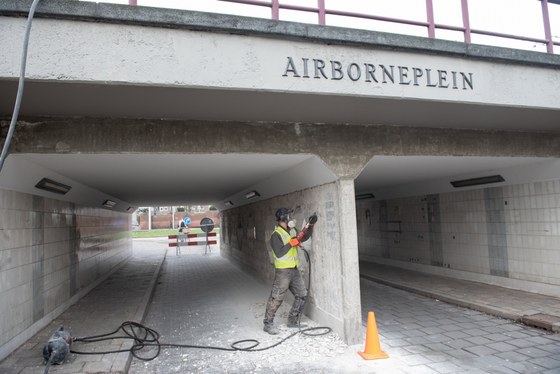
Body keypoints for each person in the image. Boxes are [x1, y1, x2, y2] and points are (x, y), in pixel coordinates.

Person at [263, 207, 317, 335]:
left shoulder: (292, 230)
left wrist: (311, 225)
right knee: (277, 297)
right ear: (283, 218)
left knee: (302, 294)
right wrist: (291, 243)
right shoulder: (276, 235)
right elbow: (279, 252)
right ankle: (268, 323)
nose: (291, 217)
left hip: (294, 269)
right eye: (289, 215)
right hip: (283, 272)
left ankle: (292, 321)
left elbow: (304, 237)